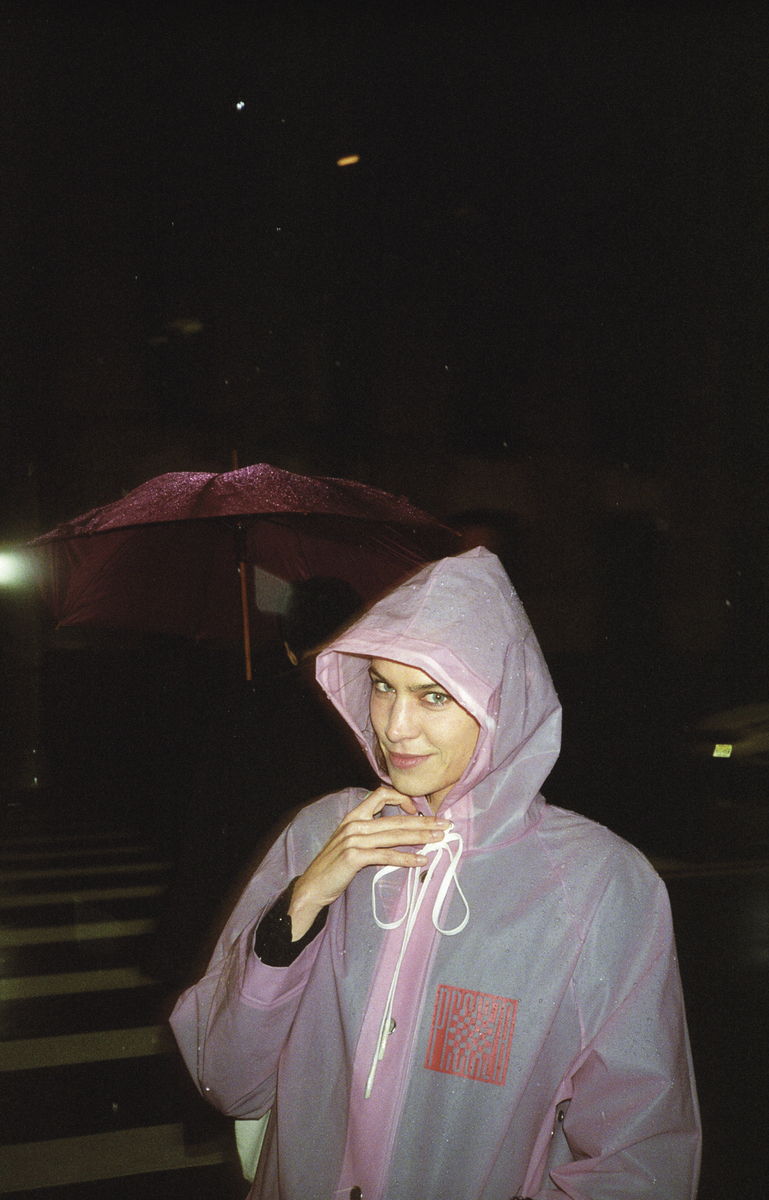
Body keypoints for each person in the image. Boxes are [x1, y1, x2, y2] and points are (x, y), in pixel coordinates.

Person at [170, 548, 701, 1198]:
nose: (395, 726)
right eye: (382, 686)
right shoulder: (320, 834)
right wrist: (302, 903)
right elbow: (225, 1079)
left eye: (433, 696)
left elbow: (638, 1153)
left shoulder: (600, 884)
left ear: (501, 702)